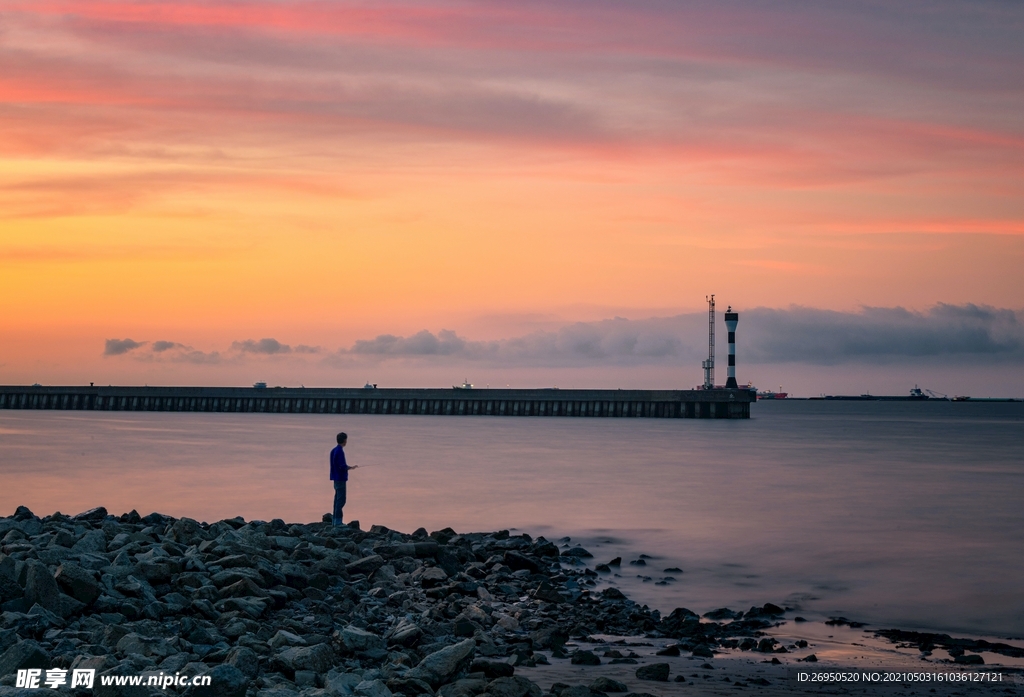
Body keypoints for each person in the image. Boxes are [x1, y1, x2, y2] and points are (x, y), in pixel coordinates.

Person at [329, 432, 357, 527]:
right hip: (340, 478)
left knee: (337, 500)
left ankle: (335, 521)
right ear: (344, 440)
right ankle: (338, 522)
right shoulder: (340, 451)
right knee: (341, 500)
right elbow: (342, 466)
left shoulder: (333, 450)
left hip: (335, 478)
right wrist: (351, 467)